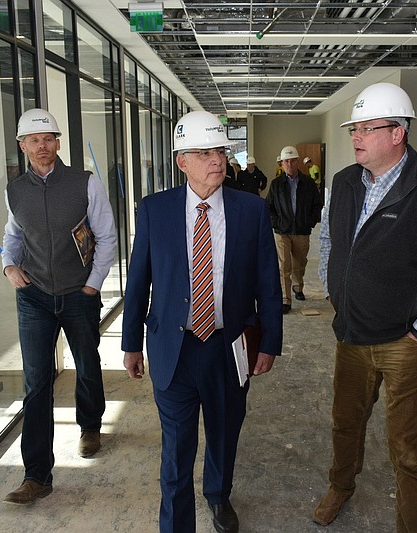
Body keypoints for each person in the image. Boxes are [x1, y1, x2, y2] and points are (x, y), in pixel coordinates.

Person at [314, 82, 417, 531]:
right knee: (345, 424)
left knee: (406, 448)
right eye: (355, 129)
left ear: (398, 133)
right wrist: (333, 289)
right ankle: (341, 487)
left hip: (404, 342)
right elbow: (328, 239)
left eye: (368, 128)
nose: (356, 137)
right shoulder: (344, 183)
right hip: (350, 334)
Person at [121, 110, 283, 533]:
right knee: (176, 450)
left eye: (221, 151)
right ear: (182, 161)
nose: (217, 160)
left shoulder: (250, 210)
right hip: (173, 348)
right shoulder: (156, 210)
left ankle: (218, 494)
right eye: (205, 152)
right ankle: (177, 525)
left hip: (228, 348)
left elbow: (268, 283)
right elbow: (138, 280)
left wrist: (270, 343)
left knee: (225, 432)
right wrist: (131, 343)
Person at [1, 108, 117, 504]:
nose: (42, 146)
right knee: (36, 384)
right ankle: (36, 475)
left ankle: (90, 424)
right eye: (34, 140)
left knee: (86, 363)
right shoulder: (15, 190)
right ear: (23, 146)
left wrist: (91, 286)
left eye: (49, 138)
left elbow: (106, 236)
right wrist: (8, 266)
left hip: (76, 293)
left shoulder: (85, 183)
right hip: (33, 295)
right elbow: (13, 234)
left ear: (58, 143)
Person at [265, 146, 323, 314]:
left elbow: (317, 205)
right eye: (286, 161)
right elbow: (269, 207)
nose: (289, 164)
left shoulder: (308, 183)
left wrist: (310, 222)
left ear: (297, 162)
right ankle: (285, 298)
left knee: (300, 263)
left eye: (292, 161)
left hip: (302, 230)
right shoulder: (276, 185)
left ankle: (298, 288)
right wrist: (276, 223)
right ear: (281, 164)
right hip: (282, 231)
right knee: (284, 265)